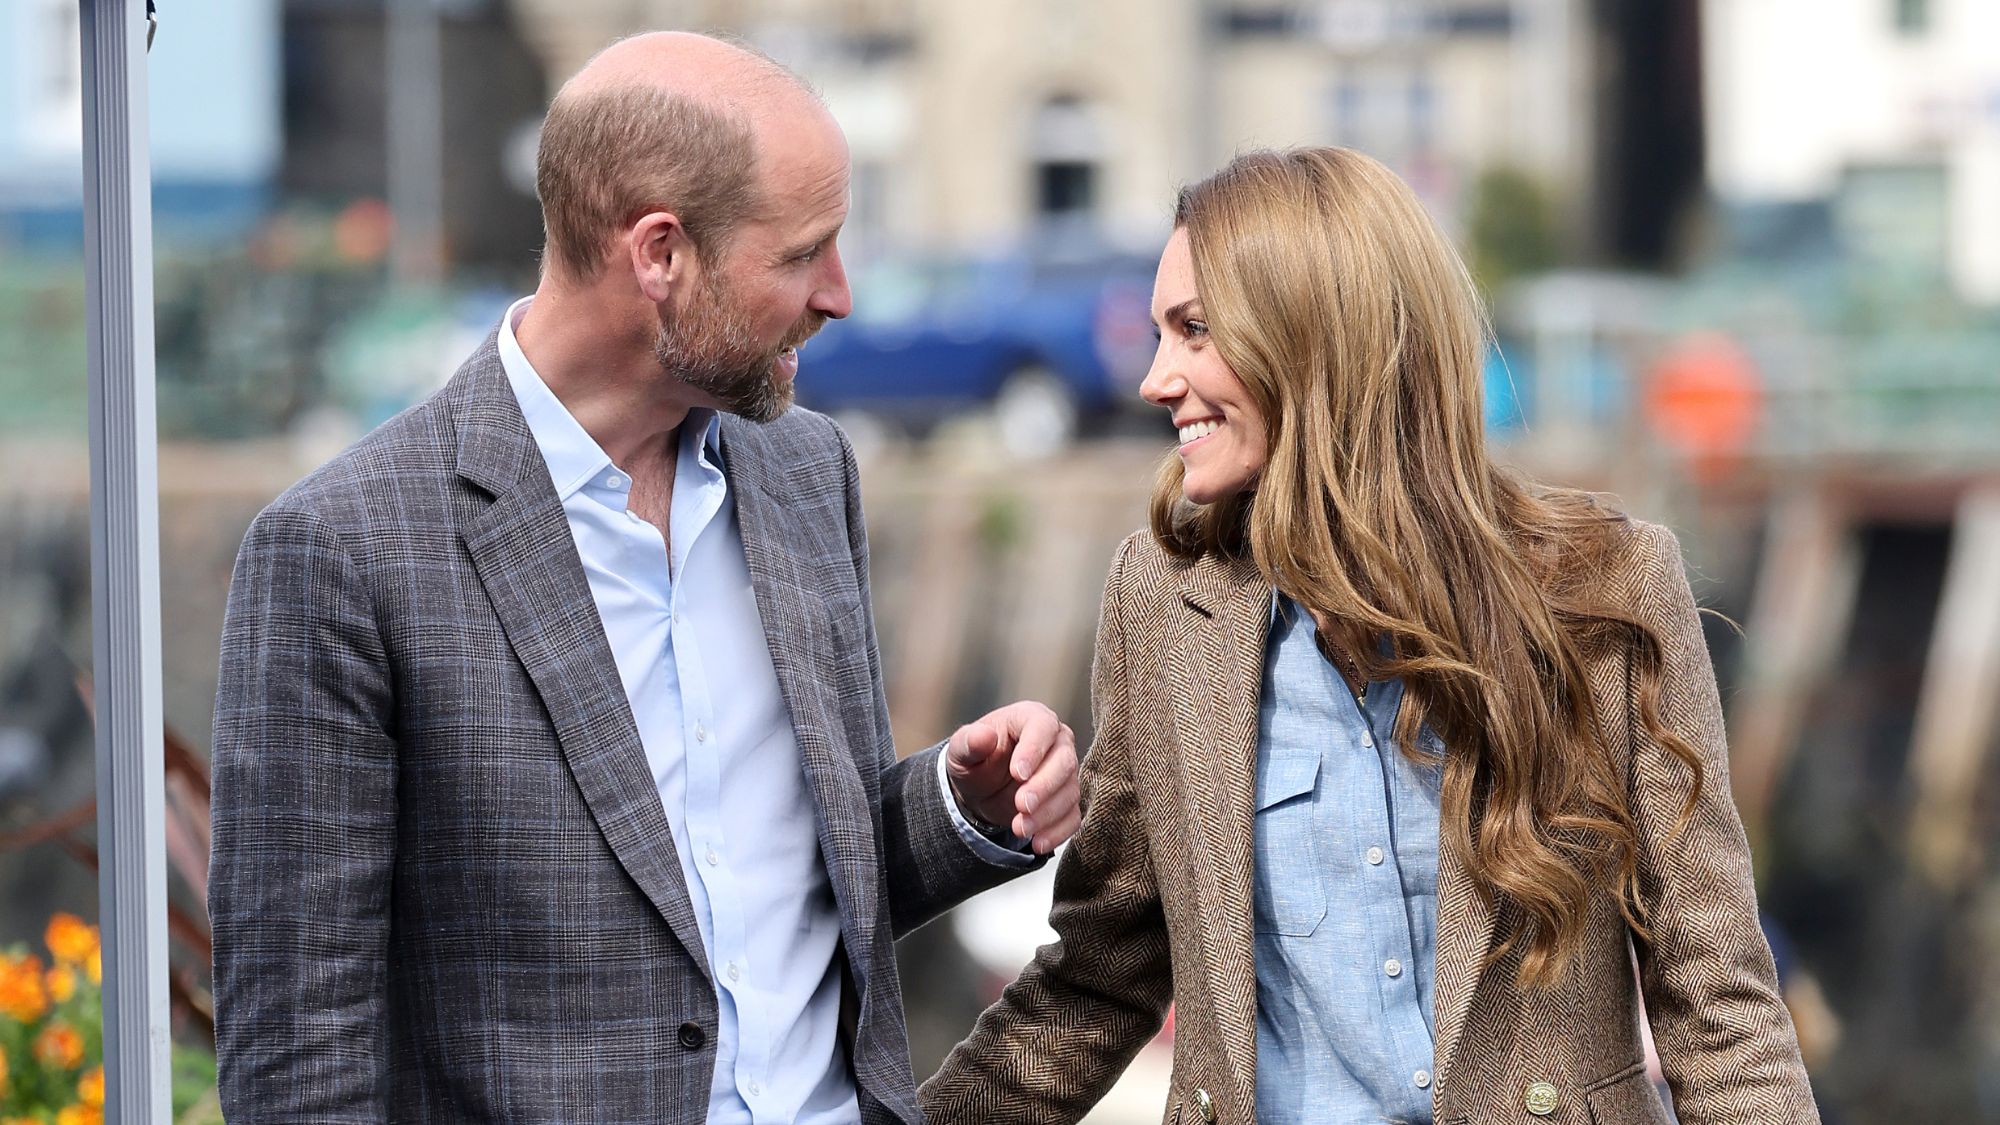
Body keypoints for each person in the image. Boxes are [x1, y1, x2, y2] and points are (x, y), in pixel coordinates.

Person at [208, 32, 1081, 1123]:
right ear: (659, 253)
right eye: (803, 253)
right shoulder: (343, 552)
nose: (842, 295)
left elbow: (788, 880)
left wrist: (959, 806)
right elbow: (299, 1059)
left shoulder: (809, 473)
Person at [919, 147, 1819, 1125]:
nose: (1151, 379)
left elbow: (1715, 1000)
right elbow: (1096, 978)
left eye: (1192, 332)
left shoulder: (1602, 589)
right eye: (1156, 335)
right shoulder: (1163, 602)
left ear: (1308, 336)